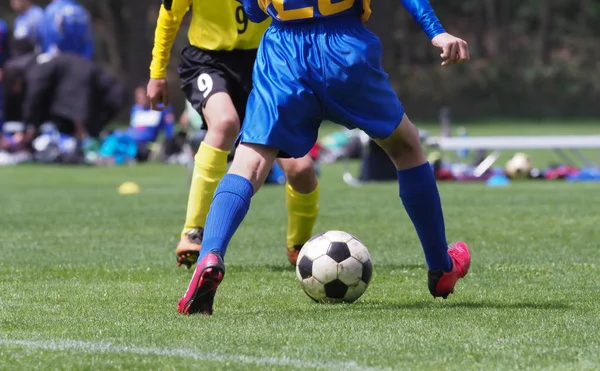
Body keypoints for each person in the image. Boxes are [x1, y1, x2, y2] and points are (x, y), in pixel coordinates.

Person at [177, 0, 472, 315]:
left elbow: (253, 11)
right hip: (344, 47)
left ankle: (210, 254)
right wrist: (436, 32)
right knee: (406, 147)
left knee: (249, 162)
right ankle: (441, 268)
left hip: (282, 52)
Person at [147, 0, 320, 269]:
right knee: (225, 123)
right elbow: (169, 16)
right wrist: (157, 73)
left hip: (265, 62)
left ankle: (300, 248)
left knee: (301, 168)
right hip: (208, 61)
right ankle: (193, 231)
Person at [98, 86, 176, 164]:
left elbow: (169, 131)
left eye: (141, 97)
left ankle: (104, 157)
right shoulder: (135, 109)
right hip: (129, 139)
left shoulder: (160, 109)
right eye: (137, 97)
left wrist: (166, 146)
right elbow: (133, 129)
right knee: (113, 137)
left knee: (119, 143)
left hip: (144, 145)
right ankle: (105, 157)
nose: (138, 99)